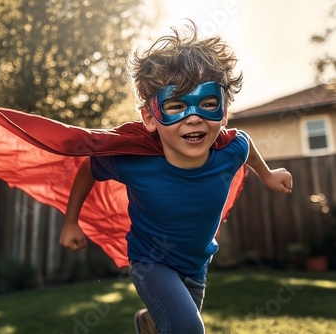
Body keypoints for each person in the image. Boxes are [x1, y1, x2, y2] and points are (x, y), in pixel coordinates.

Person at [59, 21, 293, 334]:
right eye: (176, 105)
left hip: (197, 265)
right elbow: (90, 167)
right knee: (188, 329)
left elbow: (246, 144)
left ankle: (147, 322)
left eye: (208, 104)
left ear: (223, 113)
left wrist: (267, 175)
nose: (193, 116)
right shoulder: (134, 162)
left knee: (170, 326)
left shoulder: (230, 150)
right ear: (150, 118)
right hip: (150, 262)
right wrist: (71, 221)